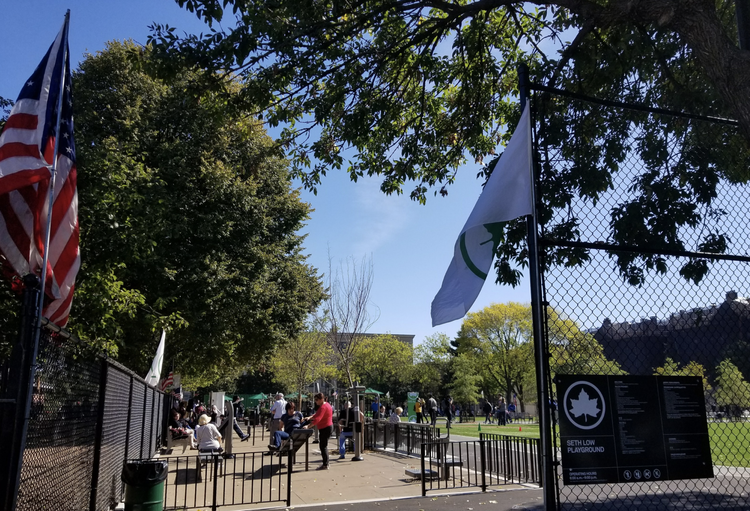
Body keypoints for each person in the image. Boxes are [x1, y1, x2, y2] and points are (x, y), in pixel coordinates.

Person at [303, 393, 333, 470]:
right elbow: (317, 414)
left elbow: (318, 419)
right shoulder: (326, 405)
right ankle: (325, 463)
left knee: (323, 446)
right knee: (323, 446)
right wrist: (310, 417)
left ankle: (325, 464)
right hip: (326, 427)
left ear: (321, 399)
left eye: (317, 400)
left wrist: (308, 426)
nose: (315, 401)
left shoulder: (323, 407)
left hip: (325, 428)